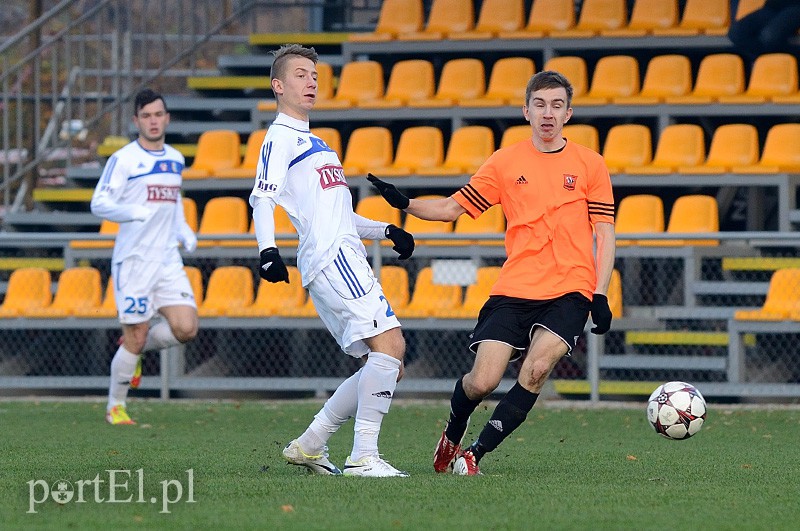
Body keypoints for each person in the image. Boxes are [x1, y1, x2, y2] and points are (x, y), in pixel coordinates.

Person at [368, 70, 616, 475]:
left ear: (568, 114)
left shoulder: (591, 164)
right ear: (526, 111)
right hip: (516, 286)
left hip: (571, 286)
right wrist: (406, 203)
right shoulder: (505, 162)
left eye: (556, 105)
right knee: (481, 382)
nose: (548, 113)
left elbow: (605, 233)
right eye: (540, 105)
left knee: (536, 371)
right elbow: (452, 209)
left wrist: (600, 294)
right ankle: (453, 432)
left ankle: (475, 454)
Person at [250, 44, 416, 477]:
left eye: (315, 75)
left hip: (345, 254)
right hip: (332, 258)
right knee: (391, 347)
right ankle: (363, 456)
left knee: (383, 363)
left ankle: (310, 444)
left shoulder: (317, 142)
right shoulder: (280, 136)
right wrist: (267, 250)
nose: (311, 82)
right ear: (279, 85)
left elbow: (340, 215)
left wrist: (386, 230)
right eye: (301, 75)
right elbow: (262, 199)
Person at [90, 89, 198, 425]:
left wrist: (183, 229)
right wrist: (130, 212)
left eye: (158, 114)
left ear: (167, 118)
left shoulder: (176, 158)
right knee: (136, 334)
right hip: (134, 261)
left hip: (166, 260)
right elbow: (98, 203)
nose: (153, 121)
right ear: (136, 120)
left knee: (186, 328)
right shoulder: (123, 159)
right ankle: (115, 407)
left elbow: (173, 200)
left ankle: (132, 349)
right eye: (146, 116)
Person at [728, 0, 800, 64]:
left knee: (769, 37)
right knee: (736, 33)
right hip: (772, 6)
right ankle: (764, 62)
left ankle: (765, 64)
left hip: (796, 7)